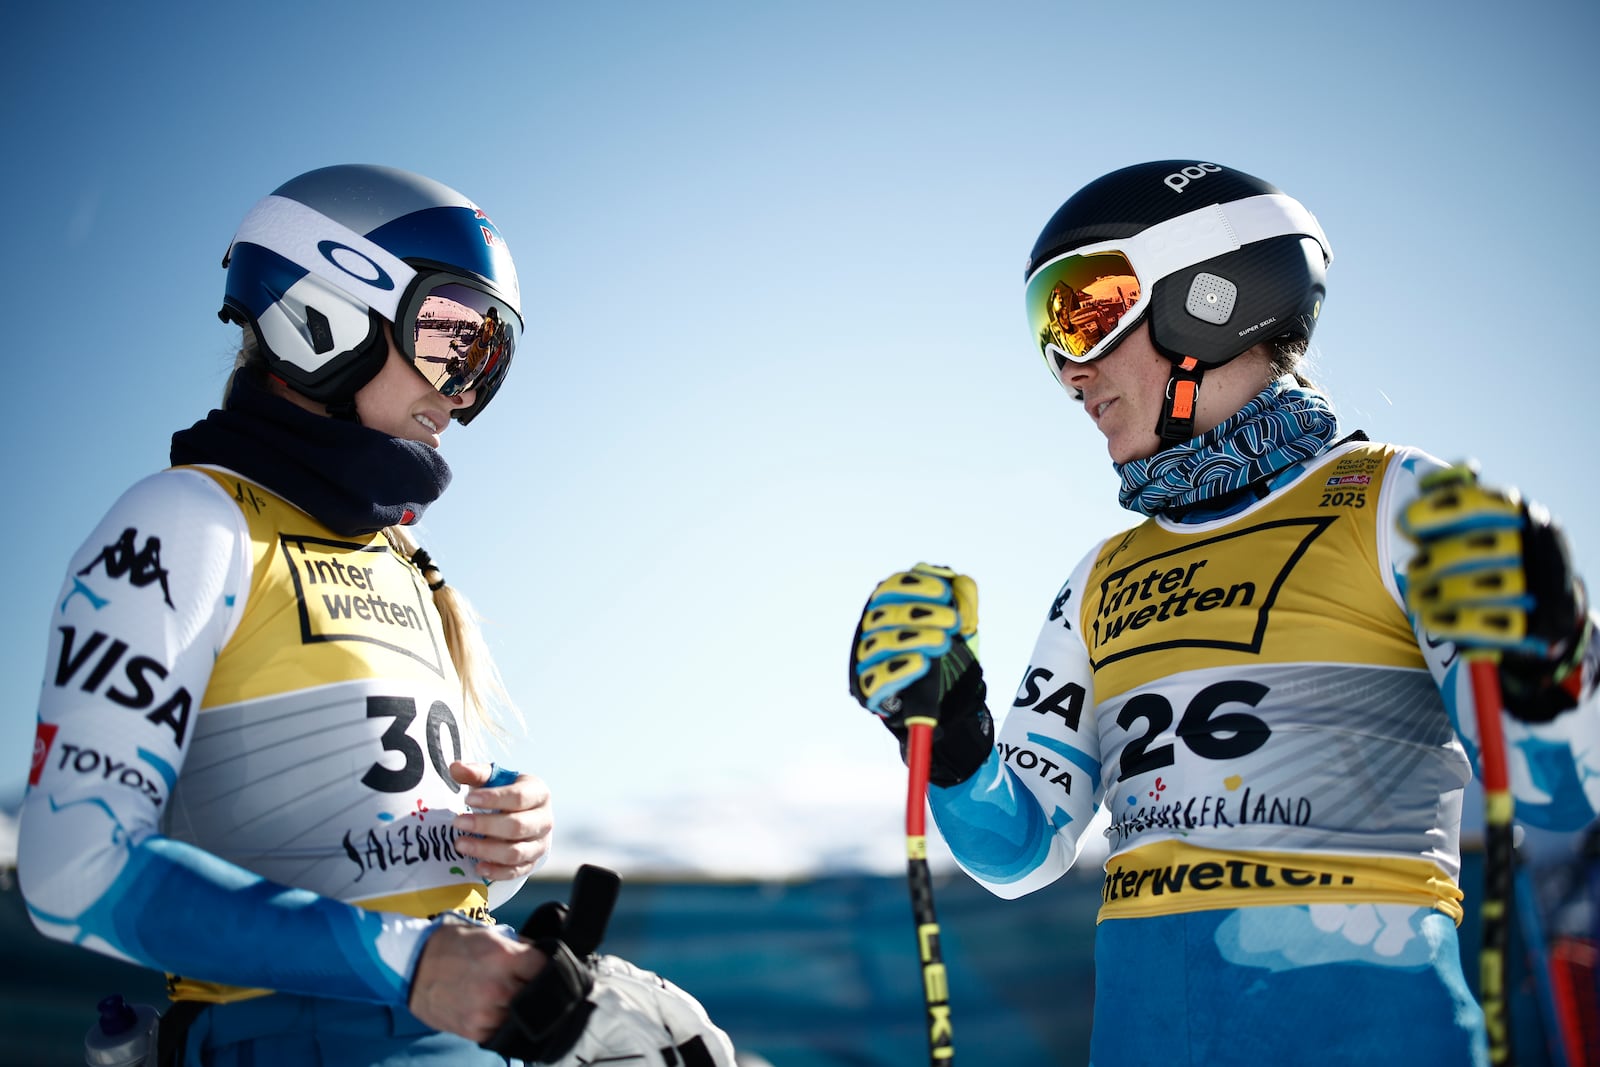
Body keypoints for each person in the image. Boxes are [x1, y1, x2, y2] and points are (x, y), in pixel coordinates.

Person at [849, 160, 1599, 1065]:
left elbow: (1566, 795)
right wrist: (952, 729)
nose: (1067, 368)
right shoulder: (1104, 574)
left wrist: (1551, 653)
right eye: (1049, 335)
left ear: (1210, 297)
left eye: (1083, 309)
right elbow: (1020, 853)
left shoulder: (1394, 500)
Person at [19, 164, 734, 1066]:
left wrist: (497, 840)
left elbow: (364, 845)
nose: (463, 392)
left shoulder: (405, 564)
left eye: (488, 358)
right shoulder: (188, 522)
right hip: (301, 1031)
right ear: (321, 318)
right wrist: (415, 959)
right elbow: (71, 868)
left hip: (454, 1030)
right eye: (449, 341)